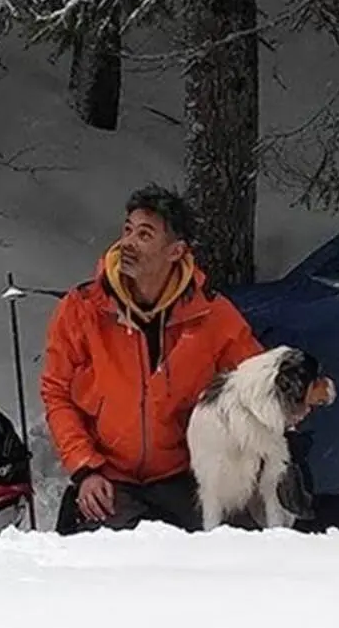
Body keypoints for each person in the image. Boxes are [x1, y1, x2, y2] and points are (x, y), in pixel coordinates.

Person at [40, 185, 264, 533]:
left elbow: (255, 383)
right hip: (109, 477)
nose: (128, 242)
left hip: (186, 474)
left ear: (176, 251)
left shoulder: (213, 315)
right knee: (97, 563)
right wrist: (85, 468)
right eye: (128, 229)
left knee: (237, 550)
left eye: (145, 235)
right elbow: (57, 394)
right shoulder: (81, 308)